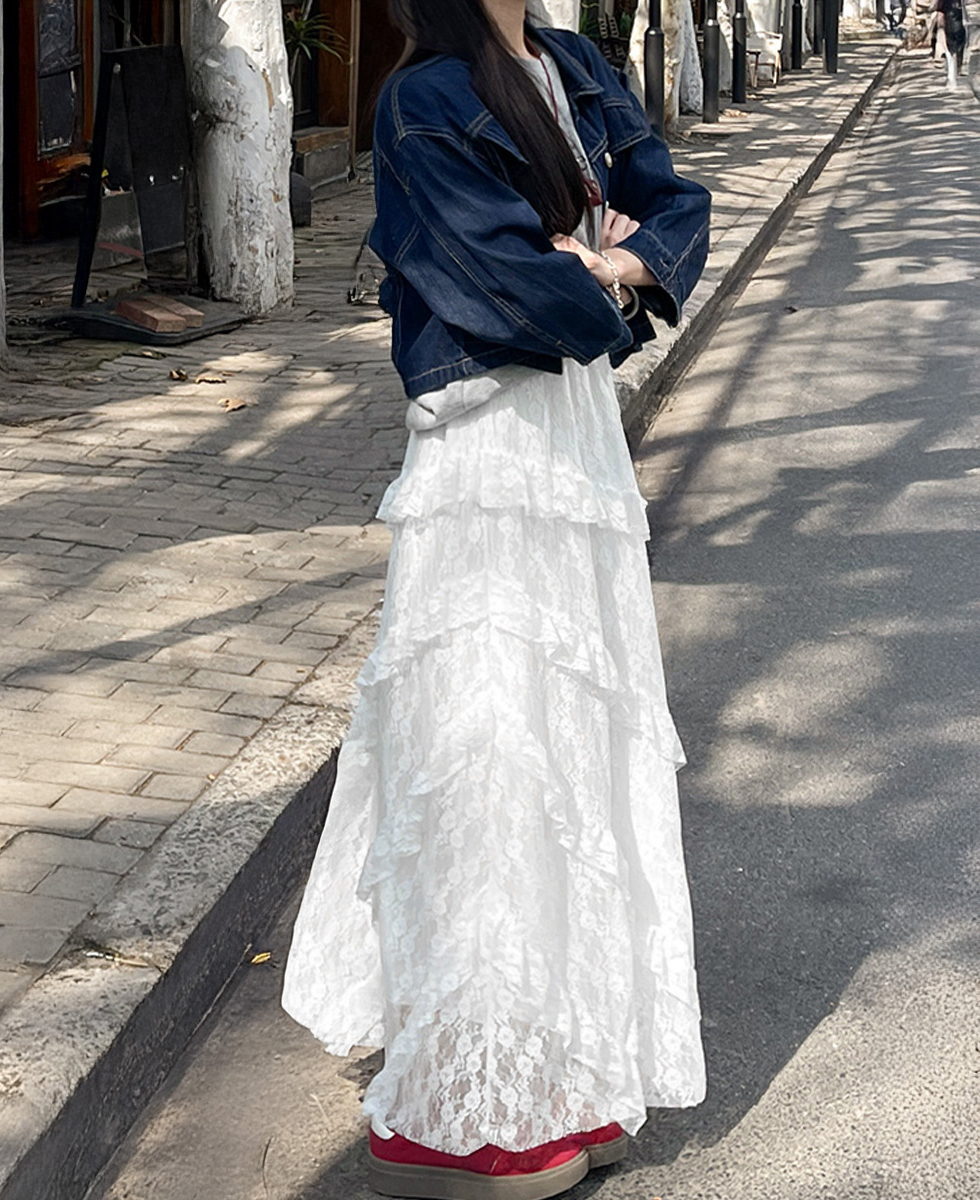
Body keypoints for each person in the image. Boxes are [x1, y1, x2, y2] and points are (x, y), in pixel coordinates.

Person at [281, 1, 711, 1196]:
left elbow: (674, 205)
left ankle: (568, 1062)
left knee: (572, 742)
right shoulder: (424, 98)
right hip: (486, 447)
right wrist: (594, 274)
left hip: (574, 437)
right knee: (486, 743)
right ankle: (469, 1107)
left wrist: (610, 261)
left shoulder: (569, 62)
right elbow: (505, 286)